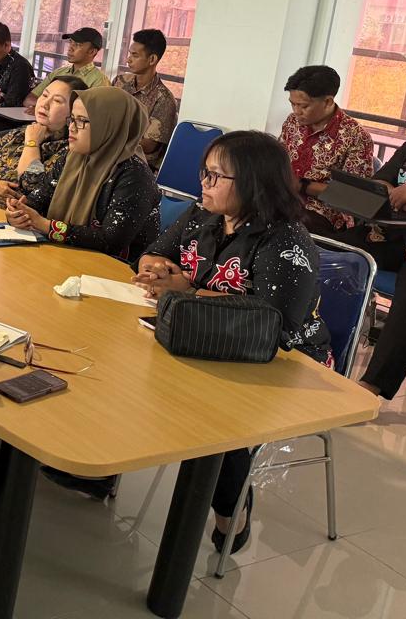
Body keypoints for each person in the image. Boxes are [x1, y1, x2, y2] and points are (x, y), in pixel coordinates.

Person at [133, 131, 331, 551]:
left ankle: (231, 514)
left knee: (212, 417)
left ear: (254, 183)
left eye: (215, 176)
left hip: (282, 358)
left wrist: (189, 291)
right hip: (205, 335)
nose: (203, 183)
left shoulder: (286, 240)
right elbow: (154, 252)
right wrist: (156, 271)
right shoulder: (202, 214)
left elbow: (274, 321)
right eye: (204, 172)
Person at [7, 86, 161, 262]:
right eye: (72, 119)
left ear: (109, 125)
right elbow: (38, 199)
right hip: (63, 256)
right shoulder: (72, 158)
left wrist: (44, 225)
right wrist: (19, 213)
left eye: (81, 121)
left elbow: (110, 241)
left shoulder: (135, 176)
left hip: (111, 269)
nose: (72, 128)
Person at [330, 137, 406, 400]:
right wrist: (399, 196)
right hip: (391, 235)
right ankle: (313, 346)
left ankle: (371, 385)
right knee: (327, 250)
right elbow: (379, 185)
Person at [279, 64, 374, 234]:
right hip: (281, 198)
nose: (296, 111)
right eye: (293, 104)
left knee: (284, 227)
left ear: (328, 102)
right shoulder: (292, 122)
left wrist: (301, 186)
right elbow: (277, 160)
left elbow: (356, 196)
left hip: (322, 212)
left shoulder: (355, 136)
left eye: (304, 106)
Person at [0, 75, 78, 202]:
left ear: (73, 112)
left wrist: (32, 143)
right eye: (45, 95)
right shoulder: (20, 133)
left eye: (57, 101)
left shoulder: (67, 152)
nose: (45, 104)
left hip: (7, 212)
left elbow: (32, 189)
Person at [112, 28, 178, 172]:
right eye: (130, 53)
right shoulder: (120, 82)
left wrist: (110, 139)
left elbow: (148, 145)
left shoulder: (164, 99)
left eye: (135, 55)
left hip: (138, 167)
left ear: (152, 59)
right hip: (111, 155)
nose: (128, 59)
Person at [23, 26, 110, 110]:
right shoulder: (58, 73)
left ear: (92, 51)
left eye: (77, 45)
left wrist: (44, 108)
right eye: (70, 42)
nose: (70, 48)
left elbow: (96, 112)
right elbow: (29, 100)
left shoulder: (99, 81)